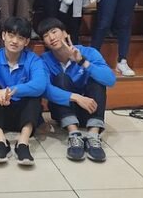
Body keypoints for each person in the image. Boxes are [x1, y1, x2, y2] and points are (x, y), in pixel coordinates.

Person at [0, 17, 51, 165]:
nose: (15, 41)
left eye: (20, 38)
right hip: (1, 111)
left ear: (26, 42)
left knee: (34, 94)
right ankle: (1, 142)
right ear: (3, 36)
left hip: (24, 114)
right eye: (11, 35)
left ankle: (23, 143)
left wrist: (9, 91)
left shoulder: (33, 60)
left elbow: (40, 85)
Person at [39, 18, 116, 162]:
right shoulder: (44, 60)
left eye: (54, 32)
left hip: (90, 109)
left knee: (97, 79)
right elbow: (45, 89)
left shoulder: (89, 52)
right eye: (46, 35)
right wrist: (76, 97)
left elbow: (110, 80)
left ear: (65, 34)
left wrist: (82, 62)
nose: (51, 37)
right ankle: (74, 135)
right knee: (61, 78)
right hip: (63, 112)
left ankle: (93, 136)